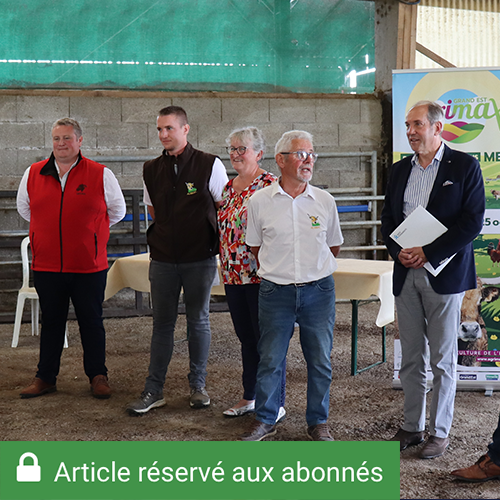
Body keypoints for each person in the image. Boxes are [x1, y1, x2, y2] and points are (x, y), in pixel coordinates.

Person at [381, 101, 485, 459]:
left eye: (417, 125)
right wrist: (401, 253)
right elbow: (388, 221)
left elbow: (471, 223)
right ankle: (412, 427)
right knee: (412, 357)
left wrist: (429, 252)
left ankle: (439, 433)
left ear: (437, 128)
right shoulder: (398, 171)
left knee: (442, 359)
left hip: (445, 275)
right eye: (408, 125)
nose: (410, 131)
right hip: (406, 273)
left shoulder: (465, 166)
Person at [240, 130, 343, 441]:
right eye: (301, 154)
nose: (308, 160)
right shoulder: (259, 201)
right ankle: (266, 419)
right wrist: (281, 269)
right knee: (270, 358)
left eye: (311, 154)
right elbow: (255, 246)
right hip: (276, 292)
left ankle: (318, 422)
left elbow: (333, 246)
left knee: (320, 360)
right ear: (280, 160)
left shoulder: (324, 201)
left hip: (319, 291)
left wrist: (310, 269)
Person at [127, 106, 228, 415]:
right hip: (163, 260)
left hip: (199, 258)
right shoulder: (150, 168)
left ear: (185, 129)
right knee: (162, 325)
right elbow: (154, 210)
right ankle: (153, 390)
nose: (163, 134)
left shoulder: (210, 164)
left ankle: (198, 386)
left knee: (198, 320)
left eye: (169, 128)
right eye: (159, 129)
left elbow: (222, 206)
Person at [16, 117, 126, 399]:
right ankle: (45, 378)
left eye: (67, 138)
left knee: (91, 320)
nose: (61, 144)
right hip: (48, 265)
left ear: (79, 141)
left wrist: (90, 233)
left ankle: (98, 376)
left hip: (89, 266)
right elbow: (25, 210)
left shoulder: (101, 174)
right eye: (56, 139)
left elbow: (117, 211)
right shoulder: (33, 173)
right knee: (52, 322)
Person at [217, 126, 286, 423]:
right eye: (232, 149)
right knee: (246, 338)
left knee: (267, 341)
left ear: (259, 153)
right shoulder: (228, 188)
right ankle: (250, 396)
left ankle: (276, 402)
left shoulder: (271, 185)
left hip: (262, 276)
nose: (235, 154)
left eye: (241, 149)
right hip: (233, 276)